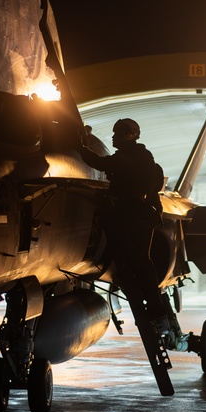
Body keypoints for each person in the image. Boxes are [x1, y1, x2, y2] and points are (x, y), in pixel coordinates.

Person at [79, 118, 165, 322]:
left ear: (130, 136)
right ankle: (156, 305)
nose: (114, 137)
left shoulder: (129, 158)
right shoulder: (144, 157)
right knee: (143, 260)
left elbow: (99, 163)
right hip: (145, 215)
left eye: (118, 134)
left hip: (132, 216)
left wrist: (79, 147)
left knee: (134, 260)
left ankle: (151, 301)